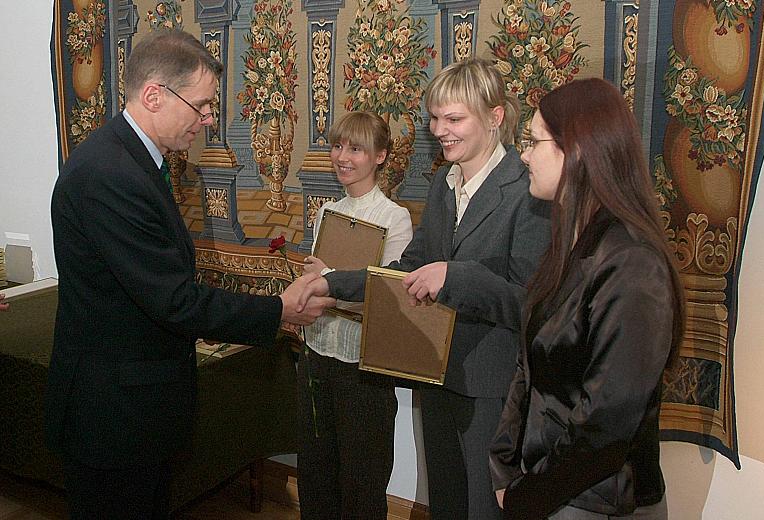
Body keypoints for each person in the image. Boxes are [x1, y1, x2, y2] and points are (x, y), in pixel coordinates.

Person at [45, 29, 333, 520]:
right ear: (154, 95)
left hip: (136, 408)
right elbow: (173, 299)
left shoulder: (132, 160)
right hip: (114, 417)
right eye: (200, 105)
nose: (207, 118)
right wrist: (278, 310)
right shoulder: (110, 175)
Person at [299, 58, 551, 519]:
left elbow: (528, 302)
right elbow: (409, 267)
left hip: (489, 385)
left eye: (454, 119)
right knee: (448, 504)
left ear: (495, 117)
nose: (440, 130)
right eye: (435, 118)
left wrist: (454, 277)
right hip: (433, 374)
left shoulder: (526, 188)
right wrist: (333, 282)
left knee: (483, 508)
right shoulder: (442, 183)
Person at [489, 78, 685, 520]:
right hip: (552, 490)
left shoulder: (632, 263)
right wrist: (504, 464)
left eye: (533, 141)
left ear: (575, 151)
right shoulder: (571, 245)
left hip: (596, 500)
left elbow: (607, 423)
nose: (524, 155)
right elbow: (531, 369)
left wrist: (529, 498)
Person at [296, 111, 413, 519]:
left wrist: (325, 292)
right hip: (316, 359)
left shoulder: (394, 219)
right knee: (316, 472)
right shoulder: (327, 211)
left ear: (380, 157)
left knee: (363, 481)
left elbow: (387, 298)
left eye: (356, 149)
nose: (342, 157)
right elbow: (315, 278)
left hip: (363, 371)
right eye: (338, 146)